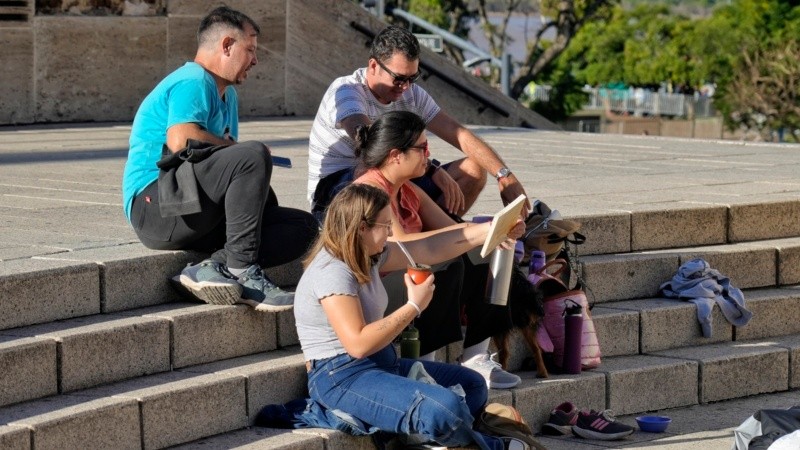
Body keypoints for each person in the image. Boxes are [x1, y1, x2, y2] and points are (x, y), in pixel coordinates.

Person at [294, 183, 524, 450]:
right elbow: (357, 344)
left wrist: (491, 230)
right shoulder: (332, 270)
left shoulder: (366, 253)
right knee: (444, 408)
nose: (391, 232)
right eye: (385, 225)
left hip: (381, 363)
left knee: (472, 385)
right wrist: (414, 306)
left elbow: (429, 247)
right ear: (361, 228)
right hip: (342, 376)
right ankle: (489, 446)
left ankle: (422, 436)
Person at [121, 6, 318, 311]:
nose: (255, 59)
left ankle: (212, 268)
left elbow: (223, 160)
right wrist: (245, 153)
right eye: (250, 49)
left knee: (302, 226)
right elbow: (180, 140)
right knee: (251, 156)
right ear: (227, 45)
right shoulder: (194, 79)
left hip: (189, 209)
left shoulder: (228, 95)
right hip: (155, 208)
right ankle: (242, 271)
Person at [352, 110, 521, 389]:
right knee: (441, 266)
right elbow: (405, 248)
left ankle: (476, 356)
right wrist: (473, 235)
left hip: (406, 277)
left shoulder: (406, 188)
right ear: (396, 155)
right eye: (422, 148)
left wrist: (494, 230)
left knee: (489, 251)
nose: (428, 155)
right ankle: (423, 364)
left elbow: (450, 227)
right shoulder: (372, 191)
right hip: (375, 290)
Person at [307, 25, 530, 220]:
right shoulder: (347, 91)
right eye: (399, 78)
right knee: (380, 172)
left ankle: (433, 239)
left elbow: (458, 133)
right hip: (336, 191)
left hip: (392, 178)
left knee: (473, 170)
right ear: (373, 66)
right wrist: (431, 168)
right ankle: (417, 240)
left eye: (412, 78)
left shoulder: (412, 94)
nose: (405, 87)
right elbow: (371, 144)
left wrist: (505, 176)